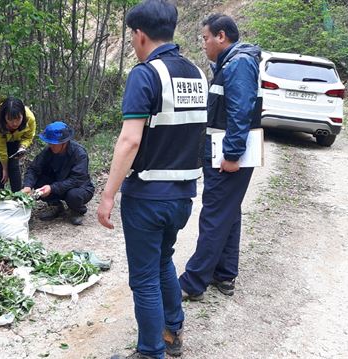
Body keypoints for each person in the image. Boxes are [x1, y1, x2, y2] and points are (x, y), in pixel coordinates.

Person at [97, 1, 208, 358]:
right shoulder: (196, 73)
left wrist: (108, 195)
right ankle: (172, 333)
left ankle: (150, 351)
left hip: (147, 197)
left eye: (131, 35)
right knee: (163, 262)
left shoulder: (145, 74)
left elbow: (130, 140)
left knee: (144, 277)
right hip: (182, 196)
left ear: (139, 34)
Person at [178, 14, 262, 300]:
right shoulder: (232, 62)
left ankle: (193, 282)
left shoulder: (238, 64)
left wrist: (232, 153)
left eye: (205, 38)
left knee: (214, 214)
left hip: (228, 155)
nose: (203, 44)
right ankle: (225, 275)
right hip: (222, 151)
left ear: (221, 36)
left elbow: (241, 112)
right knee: (228, 211)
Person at [21, 121, 94, 226]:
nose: (50, 146)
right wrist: (27, 186)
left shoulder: (79, 153)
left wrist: (52, 188)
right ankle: (56, 206)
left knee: (73, 196)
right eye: (49, 143)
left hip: (79, 187)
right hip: (57, 184)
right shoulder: (48, 152)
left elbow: (77, 180)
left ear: (64, 142)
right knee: (38, 182)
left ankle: (77, 210)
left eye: (53, 144)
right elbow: (33, 169)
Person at [0, 96, 36, 192]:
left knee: (14, 165)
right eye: (10, 119)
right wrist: (5, 169)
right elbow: (0, 149)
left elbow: (28, 136)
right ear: (4, 117)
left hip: (16, 138)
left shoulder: (30, 119)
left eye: (18, 119)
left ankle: (17, 197)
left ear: (23, 115)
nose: (14, 123)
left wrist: (22, 147)